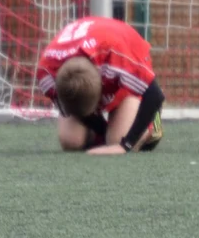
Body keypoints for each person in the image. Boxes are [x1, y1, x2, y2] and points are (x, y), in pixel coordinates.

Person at [36, 16, 165, 154]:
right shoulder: (47, 72)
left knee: (117, 140)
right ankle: (103, 135)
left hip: (119, 58)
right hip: (97, 53)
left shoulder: (120, 60)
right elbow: (74, 109)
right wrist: (102, 131)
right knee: (71, 141)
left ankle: (154, 127)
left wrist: (124, 145)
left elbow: (156, 96)